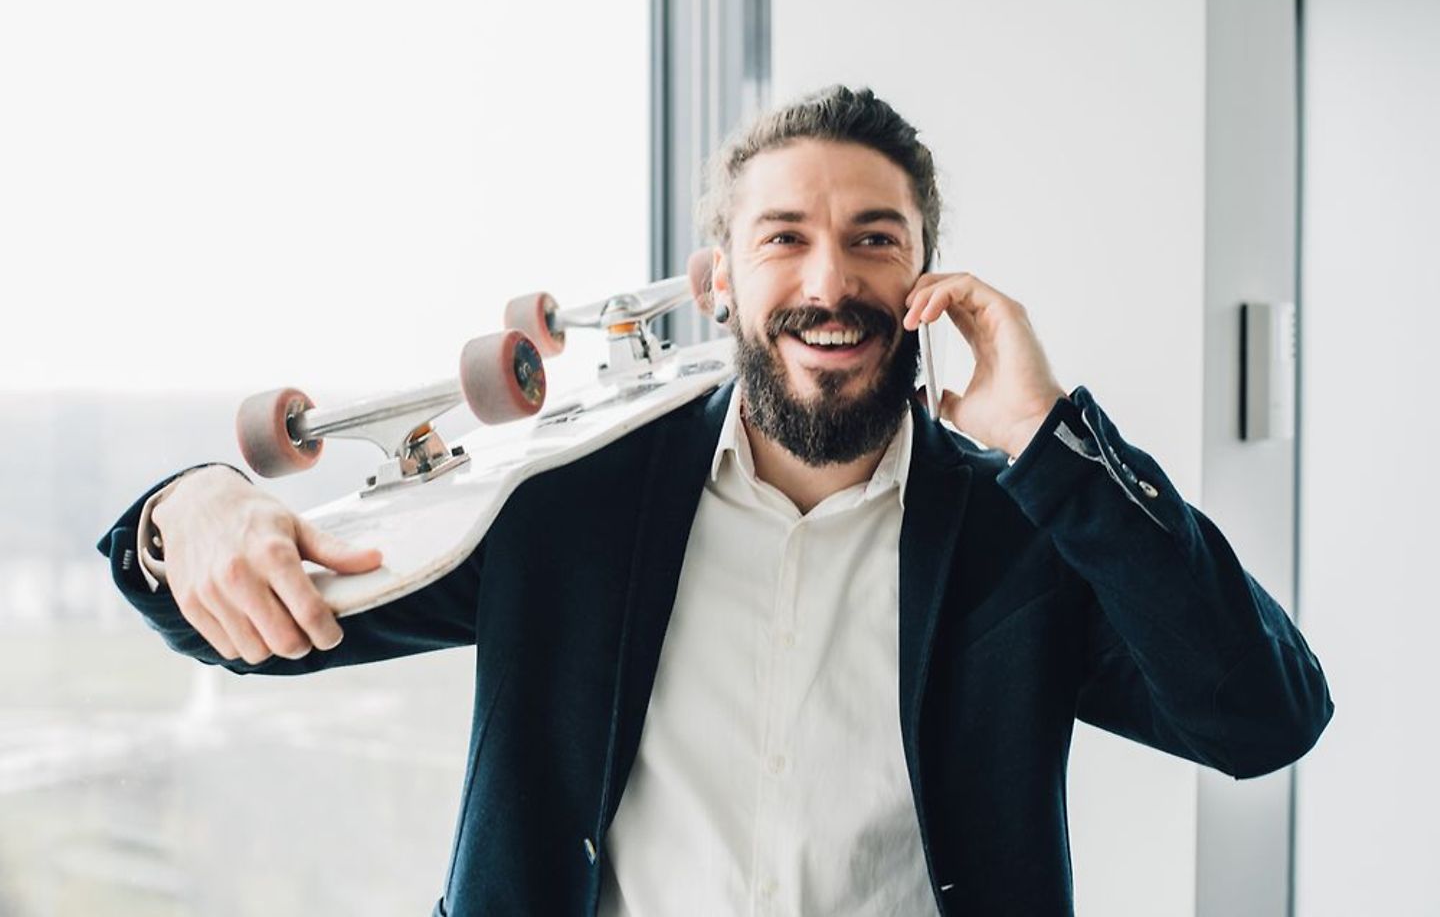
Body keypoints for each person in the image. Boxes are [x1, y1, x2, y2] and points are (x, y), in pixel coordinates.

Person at [96, 85, 1333, 916]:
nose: (829, 280)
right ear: (721, 281)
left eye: (875, 240)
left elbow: (1263, 718)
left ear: (925, 279)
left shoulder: (1029, 530)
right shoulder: (562, 506)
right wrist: (189, 508)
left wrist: (1057, 438)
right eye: (784, 237)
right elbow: (250, 624)